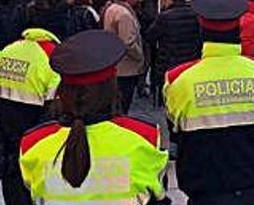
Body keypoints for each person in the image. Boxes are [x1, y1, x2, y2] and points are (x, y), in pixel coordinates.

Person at [164, 0, 254, 205]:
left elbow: (176, 132)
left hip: (206, 191)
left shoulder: (178, 79)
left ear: (201, 28)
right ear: (238, 27)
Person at [19, 30, 169, 204]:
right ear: (112, 88)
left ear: (62, 91)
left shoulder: (33, 143)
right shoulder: (145, 137)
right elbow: (158, 197)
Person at [0, 26, 60, 205]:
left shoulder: (8, 51)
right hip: (33, 150)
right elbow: (52, 115)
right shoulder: (53, 58)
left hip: (6, 146)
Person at [149, 0, 201, 98]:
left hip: (169, 61)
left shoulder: (164, 16)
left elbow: (151, 36)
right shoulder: (196, 15)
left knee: (170, 95)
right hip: (189, 60)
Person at [102, 0, 145, 113]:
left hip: (116, 63)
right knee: (123, 102)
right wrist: (140, 57)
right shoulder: (124, 14)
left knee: (118, 102)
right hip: (125, 67)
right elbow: (128, 42)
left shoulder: (112, 9)